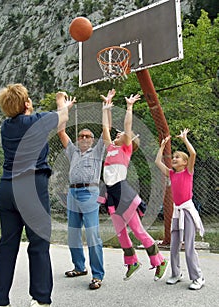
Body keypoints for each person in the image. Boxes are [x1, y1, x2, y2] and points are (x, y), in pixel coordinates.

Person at [0, 83, 75, 307]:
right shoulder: (35, 120)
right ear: (27, 103)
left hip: (7, 187)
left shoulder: (6, 127)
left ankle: (0, 300)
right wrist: (60, 101)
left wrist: (61, 112)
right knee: (38, 243)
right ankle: (41, 301)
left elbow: (59, 122)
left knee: (8, 243)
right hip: (30, 185)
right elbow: (63, 117)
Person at [99, 90, 168, 281]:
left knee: (138, 230)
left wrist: (129, 107)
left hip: (123, 193)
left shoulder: (125, 149)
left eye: (121, 135)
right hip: (111, 194)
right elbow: (105, 128)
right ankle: (132, 262)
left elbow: (127, 128)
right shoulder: (111, 148)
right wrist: (106, 107)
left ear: (129, 142)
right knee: (121, 232)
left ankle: (159, 260)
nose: (118, 134)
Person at [57, 91, 114, 289]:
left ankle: (97, 275)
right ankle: (79, 267)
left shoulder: (98, 151)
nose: (83, 137)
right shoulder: (73, 151)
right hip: (73, 193)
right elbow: (61, 132)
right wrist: (65, 109)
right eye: (81, 135)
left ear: (91, 139)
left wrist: (106, 109)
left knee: (92, 235)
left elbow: (106, 134)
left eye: (87, 136)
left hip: (90, 193)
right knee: (73, 234)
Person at [155, 129, 205, 290]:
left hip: (187, 212)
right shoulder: (171, 174)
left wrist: (184, 139)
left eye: (178, 157)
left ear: (185, 162)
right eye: (174, 157)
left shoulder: (188, 172)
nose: (174, 159)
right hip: (177, 213)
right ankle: (176, 274)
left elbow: (193, 154)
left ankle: (198, 277)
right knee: (174, 245)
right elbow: (157, 162)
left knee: (188, 246)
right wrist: (162, 147)